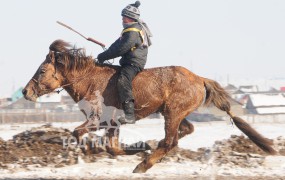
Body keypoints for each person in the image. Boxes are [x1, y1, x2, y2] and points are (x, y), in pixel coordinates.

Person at [97, 1, 152, 124]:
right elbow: (117, 45)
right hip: (128, 62)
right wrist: (103, 56)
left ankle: (129, 115)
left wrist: (104, 56)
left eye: (124, 16)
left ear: (130, 17)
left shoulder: (133, 31)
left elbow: (122, 48)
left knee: (123, 81)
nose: (122, 19)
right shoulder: (129, 30)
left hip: (133, 63)